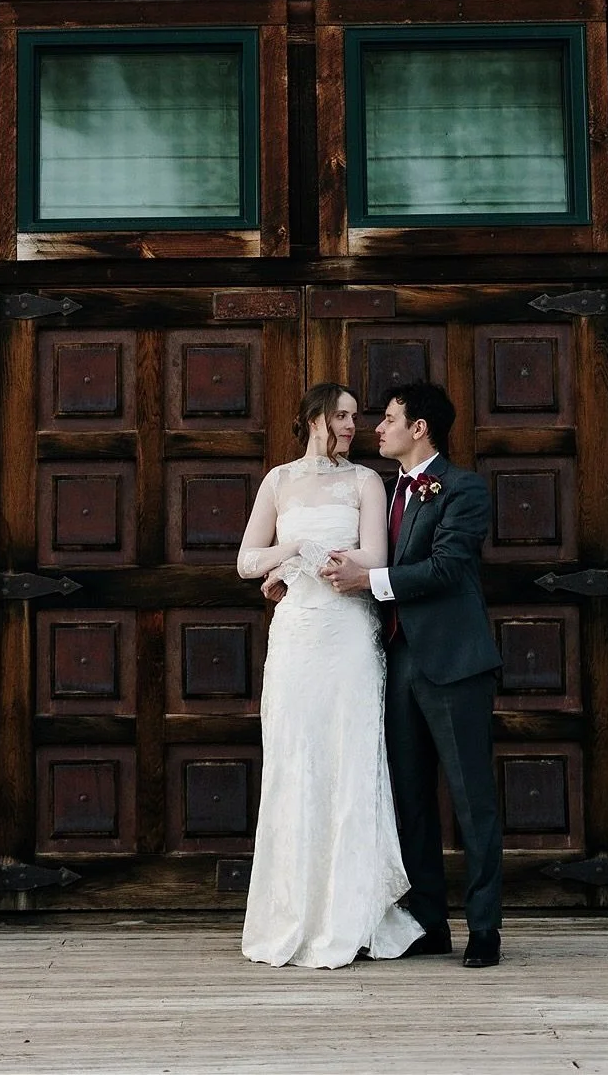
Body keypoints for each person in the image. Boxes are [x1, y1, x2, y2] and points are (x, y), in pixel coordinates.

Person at [235, 381, 423, 968]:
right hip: (296, 636)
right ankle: (292, 912)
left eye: (356, 417)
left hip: (347, 634)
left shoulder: (366, 481)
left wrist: (321, 558)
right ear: (314, 416)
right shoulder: (279, 481)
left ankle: (351, 913)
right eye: (342, 415)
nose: (353, 426)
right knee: (295, 761)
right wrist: (293, 549)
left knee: (349, 759)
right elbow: (246, 561)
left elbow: (376, 558)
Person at [323, 380, 504, 969]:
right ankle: (429, 923)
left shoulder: (463, 489)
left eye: (390, 418)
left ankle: (484, 931)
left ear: (419, 427)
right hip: (396, 662)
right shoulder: (377, 492)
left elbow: (449, 567)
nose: (378, 428)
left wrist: (370, 582)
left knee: (472, 800)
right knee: (409, 800)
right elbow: (350, 558)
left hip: (454, 664)